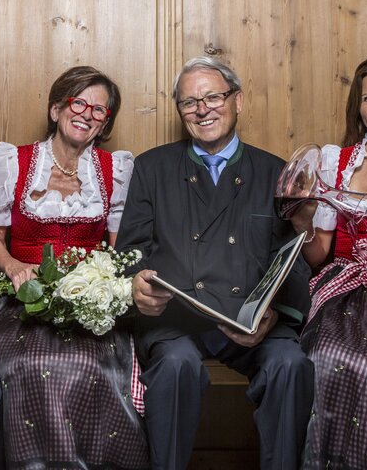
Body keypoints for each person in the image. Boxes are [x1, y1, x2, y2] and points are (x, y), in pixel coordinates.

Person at [115, 56, 314, 470]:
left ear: (237, 101)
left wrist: (274, 316)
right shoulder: (152, 168)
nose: (202, 109)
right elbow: (129, 253)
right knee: (175, 367)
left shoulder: (275, 171)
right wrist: (136, 287)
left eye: (212, 97)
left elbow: (293, 259)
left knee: (291, 365)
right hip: (177, 321)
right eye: (189, 103)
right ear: (180, 112)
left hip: (251, 322)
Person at [0, 66, 149, 469]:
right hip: (20, 299)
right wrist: (15, 267)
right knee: (27, 365)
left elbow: (118, 247)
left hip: (89, 301)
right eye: (78, 103)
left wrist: (105, 286)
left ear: (105, 123)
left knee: (92, 366)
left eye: (99, 110)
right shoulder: (13, 163)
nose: (87, 114)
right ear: (56, 109)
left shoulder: (114, 172)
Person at [290, 55, 367, 470]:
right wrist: (304, 219)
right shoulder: (337, 162)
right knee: (333, 362)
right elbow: (318, 253)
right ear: (358, 106)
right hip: (344, 291)